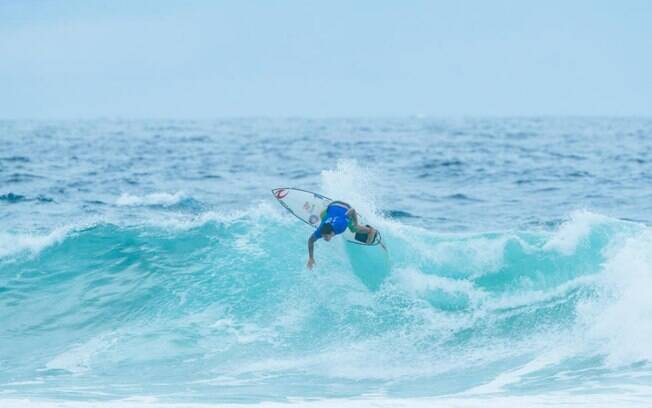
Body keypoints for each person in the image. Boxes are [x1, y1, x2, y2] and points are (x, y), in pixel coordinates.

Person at [306, 201, 376, 269]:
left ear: (331, 233)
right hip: (333, 204)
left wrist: (356, 223)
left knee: (353, 229)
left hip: (346, 207)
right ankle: (328, 210)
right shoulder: (320, 230)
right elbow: (310, 240)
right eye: (323, 236)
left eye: (326, 236)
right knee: (322, 217)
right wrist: (311, 258)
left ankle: (370, 230)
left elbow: (352, 210)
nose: (324, 238)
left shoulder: (340, 225)